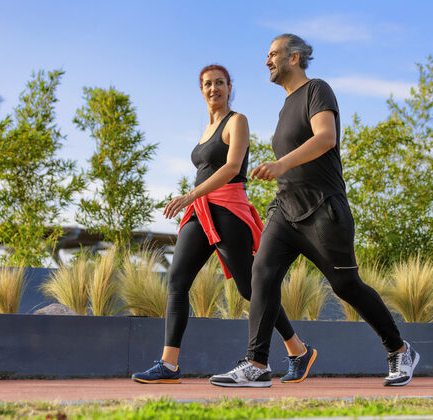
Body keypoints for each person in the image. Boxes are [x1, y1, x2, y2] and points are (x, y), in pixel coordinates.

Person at [210, 35, 420, 388]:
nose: (267, 61)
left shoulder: (316, 90)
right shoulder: (285, 107)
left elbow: (326, 137)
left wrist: (279, 164)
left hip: (323, 210)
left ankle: (399, 349)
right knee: (261, 273)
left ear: (294, 58)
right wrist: (280, 174)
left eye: (272, 54)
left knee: (346, 285)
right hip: (285, 209)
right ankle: (257, 363)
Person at [132, 64, 314, 386]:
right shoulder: (205, 129)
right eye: (207, 84)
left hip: (228, 209)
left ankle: (297, 350)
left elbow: (231, 167)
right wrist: (193, 201)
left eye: (219, 83)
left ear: (230, 87)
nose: (213, 88)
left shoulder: (237, 121)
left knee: (249, 288)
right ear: (201, 90)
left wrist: (189, 195)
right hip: (200, 212)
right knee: (177, 279)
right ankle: (168, 364)